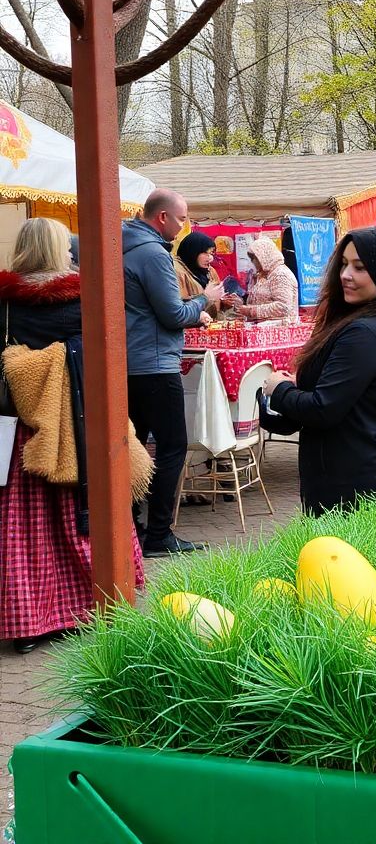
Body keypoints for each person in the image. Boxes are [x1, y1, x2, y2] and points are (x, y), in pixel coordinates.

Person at [0, 219, 145, 653]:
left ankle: (28, 622)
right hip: (82, 428)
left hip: (22, 434)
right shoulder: (85, 297)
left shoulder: (4, 304)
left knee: (25, 530)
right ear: (61, 249)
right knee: (82, 517)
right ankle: (90, 605)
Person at [261, 228, 376, 515]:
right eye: (344, 264)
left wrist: (277, 389)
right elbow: (345, 396)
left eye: (360, 267)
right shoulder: (374, 320)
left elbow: (323, 409)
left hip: (352, 487)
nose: (346, 274)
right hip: (352, 475)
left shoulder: (365, 331)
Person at [124, 189, 224, 556]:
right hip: (154, 364)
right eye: (181, 219)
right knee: (171, 448)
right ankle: (159, 534)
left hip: (129, 363)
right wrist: (203, 300)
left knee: (132, 448)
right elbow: (172, 315)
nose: (185, 226)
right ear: (162, 217)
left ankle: (131, 523)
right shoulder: (153, 254)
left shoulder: (123, 245)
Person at [226, 237, 298, 323]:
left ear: (263, 257)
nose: (252, 262)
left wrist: (251, 311)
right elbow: (261, 300)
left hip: (279, 330)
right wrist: (240, 303)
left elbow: (283, 307)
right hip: (264, 329)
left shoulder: (280, 274)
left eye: (254, 258)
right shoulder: (264, 274)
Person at [174, 231, 222, 316]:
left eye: (211, 253)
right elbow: (178, 307)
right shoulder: (177, 271)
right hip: (189, 325)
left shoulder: (210, 271)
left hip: (210, 324)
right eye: (205, 253)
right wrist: (206, 296)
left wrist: (224, 302)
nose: (210, 258)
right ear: (193, 252)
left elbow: (217, 302)